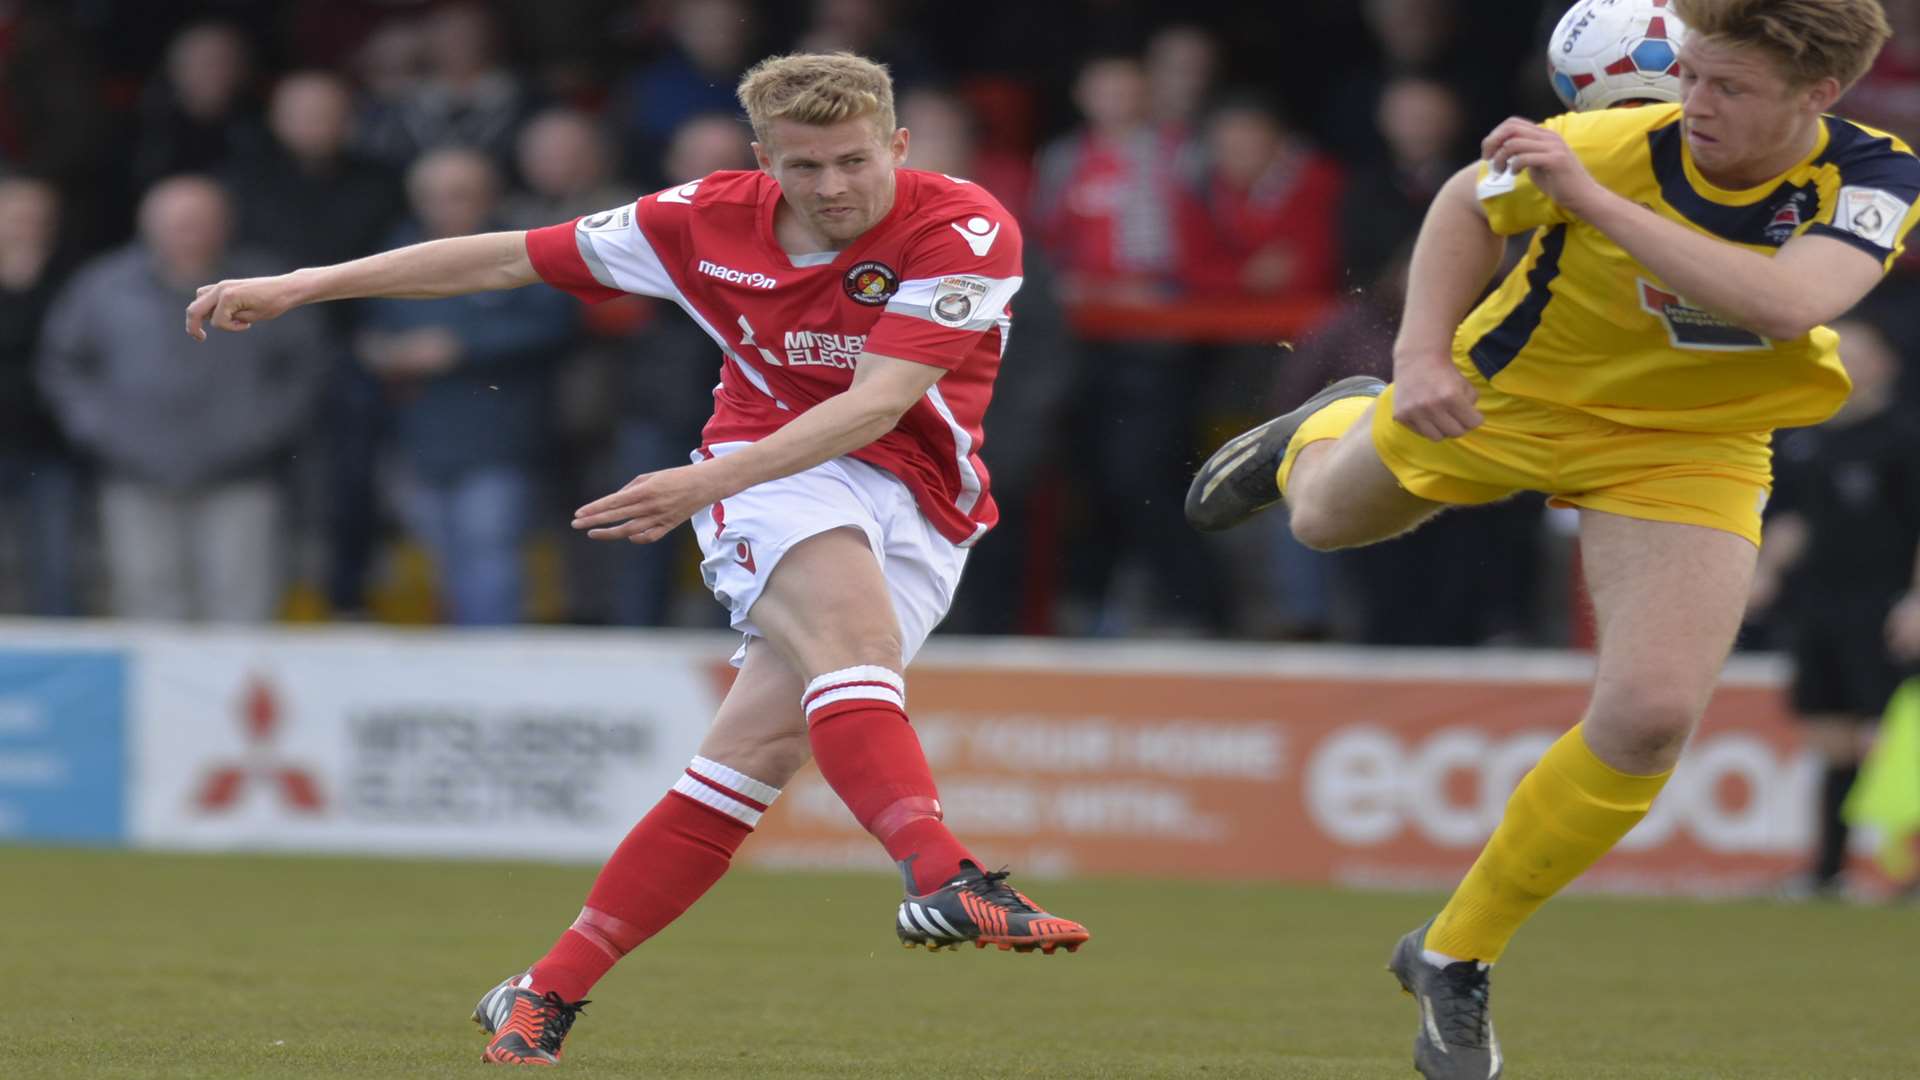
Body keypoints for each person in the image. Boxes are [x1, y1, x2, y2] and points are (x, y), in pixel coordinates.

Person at [185, 51, 1089, 1066]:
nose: (831, 188)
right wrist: (308, 284)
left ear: (899, 146)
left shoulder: (962, 226)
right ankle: (942, 874)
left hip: (921, 500)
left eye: (851, 162)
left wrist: (691, 492)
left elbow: (876, 405)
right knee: (853, 638)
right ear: (762, 160)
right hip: (767, 466)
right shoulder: (699, 218)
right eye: (803, 167)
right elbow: (508, 256)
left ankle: (541, 992)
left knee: (748, 763)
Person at [1185, 1, 1913, 1077]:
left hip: (1691, 444)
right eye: (1694, 75)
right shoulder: (1610, 143)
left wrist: (1588, 202)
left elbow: (1786, 300)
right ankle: (1332, 421)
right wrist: (1423, 356)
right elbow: (1460, 208)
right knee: (1324, 521)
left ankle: (1453, 953)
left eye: (1728, 88)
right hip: (1510, 399)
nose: (1694, 103)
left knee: (1653, 716)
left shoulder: (1874, 176)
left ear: (1820, 95)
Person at [43, 176, 328, 622]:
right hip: (135, 475)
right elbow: (63, 364)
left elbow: (305, 368)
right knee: (146, 603)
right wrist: (101, 431)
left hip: (241, 475)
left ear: (225, 225)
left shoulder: (267, 284)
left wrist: (261, 431)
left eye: (199, 222)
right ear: (148, 225)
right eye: (176, 223)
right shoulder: (103, 287)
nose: (187, 234)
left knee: (242, 606)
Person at [360, 147, 577, 627]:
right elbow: (367, 330)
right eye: (432, 196)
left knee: (490, 560)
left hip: (499, 438)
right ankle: (457, 680)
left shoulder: (525, 246)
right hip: (417, 436)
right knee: (438, 564)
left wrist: (461, 346)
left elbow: (557, 324)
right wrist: (383, 352)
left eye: (459, 195)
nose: (445, 207)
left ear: (489, 195)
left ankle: (494, 679)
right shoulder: (396, 251)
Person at [1749, 315, 1920, 897]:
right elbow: (1796, 519)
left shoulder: (1904, 436)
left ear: (1886, 363)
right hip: (1819, 606)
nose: (1843, 360)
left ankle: (1907, 874)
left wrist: (1916, 601)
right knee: (1831, 736)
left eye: (1857, 350)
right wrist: (1765, 572)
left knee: (1894, 740)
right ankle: (1827, 871)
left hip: (1886, 605)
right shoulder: (1806, 438)